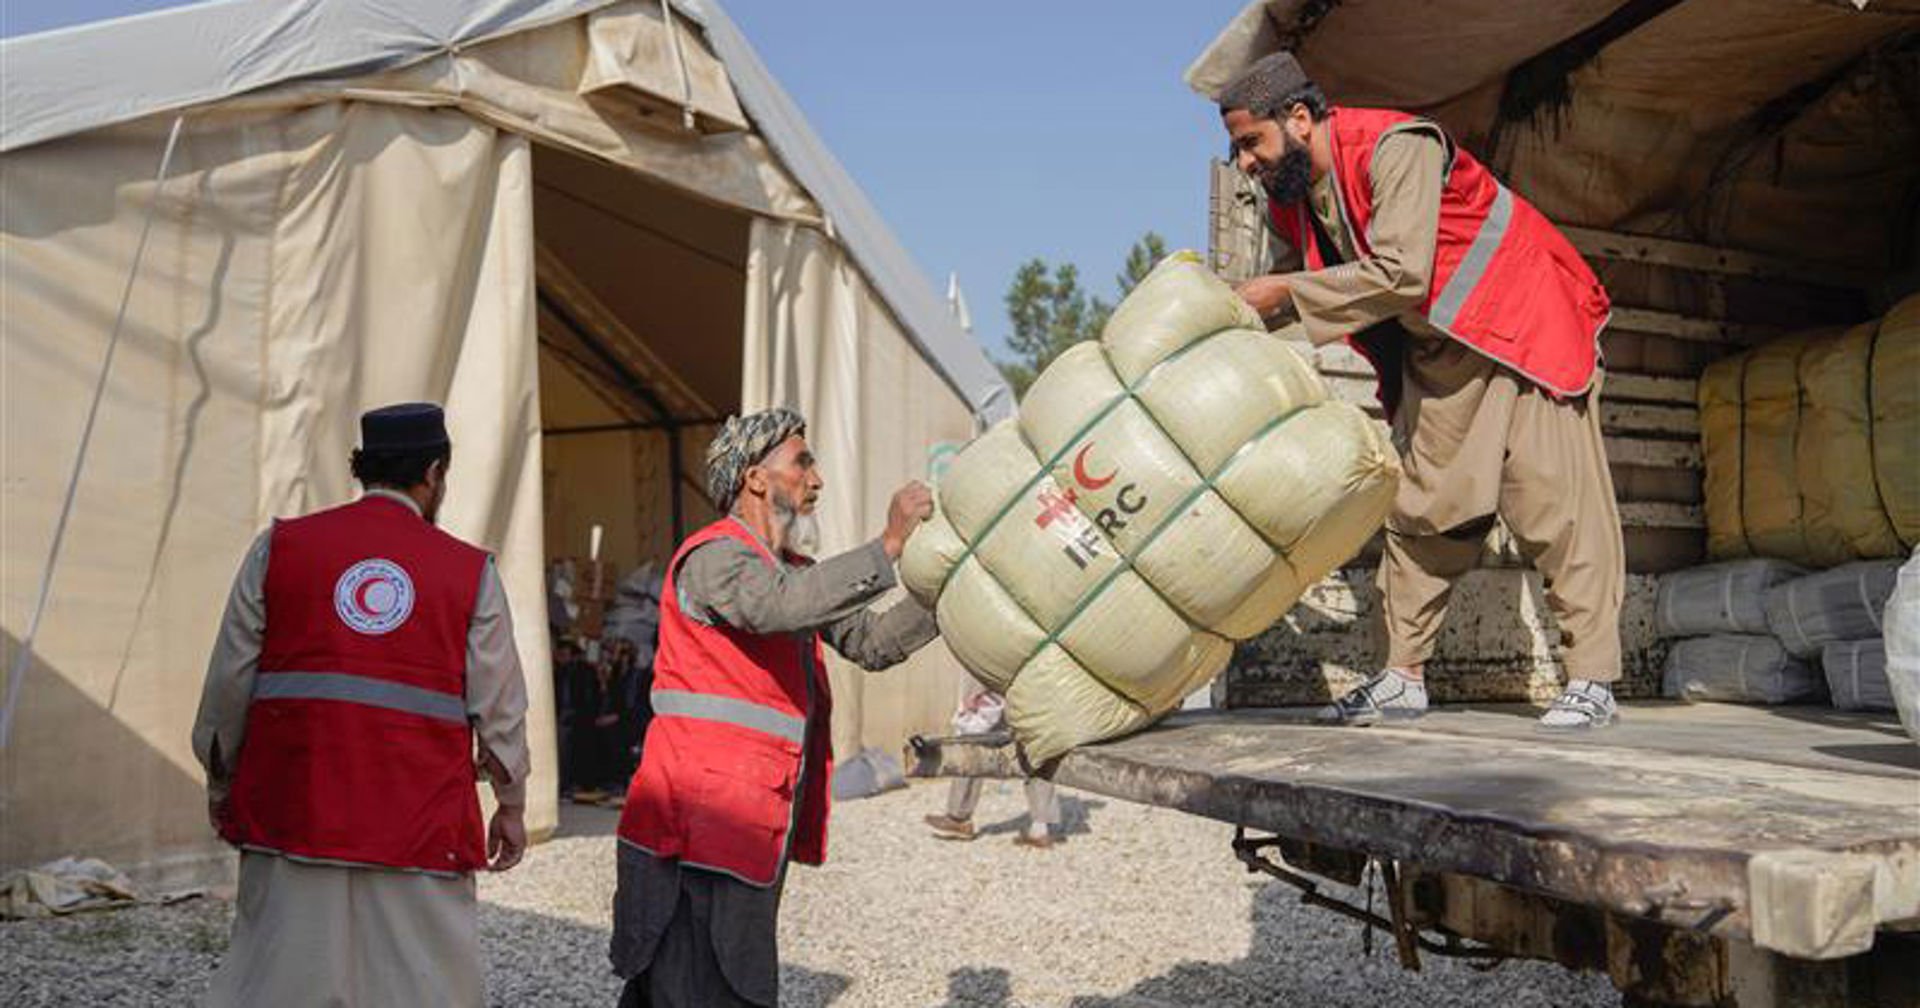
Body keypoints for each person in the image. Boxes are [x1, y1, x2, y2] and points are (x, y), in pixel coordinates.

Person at [1217, 52, 1625, 729]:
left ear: (1297, 118)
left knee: (1555, 502)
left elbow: (1403, 275)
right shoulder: (1299, 203)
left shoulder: (1394, 147)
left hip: (1521, 326)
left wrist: (1284, 291)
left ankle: (1593, 681)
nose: (1246, 164)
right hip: (1442, 349)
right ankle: (1402, 676)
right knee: (1421, 511)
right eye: (1236, 150)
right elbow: (1329, 291)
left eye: (1251, 143)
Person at [191, 402, 530, 1007]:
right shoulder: (467, 571)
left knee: (279, 984)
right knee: (422, 987)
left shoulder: (281, 548)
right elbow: (499, 705)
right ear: (434, 473)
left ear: (363, 468)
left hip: (293, 809)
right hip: (418, 820)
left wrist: (222, 781)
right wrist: (510, 803)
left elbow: (228, 682)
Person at [609, 407, 940, 1007]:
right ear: (755, 479)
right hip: (695, 821)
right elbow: (775, 607)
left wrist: (948, 590)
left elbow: (875, 643)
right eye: (802, 463)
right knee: (691, 985)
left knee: (715, 981)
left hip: (748, 816)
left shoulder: (795, 575)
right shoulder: (713, 558)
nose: (815, 480)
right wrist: (888, 544)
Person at [923, 686, 1062, 848]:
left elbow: (1000, 663)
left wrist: (979, 691)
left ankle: (958, 819)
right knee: (1034, 753)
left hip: (1003, 693)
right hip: (1032, 695)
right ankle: (1040, 829)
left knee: (972, 746)